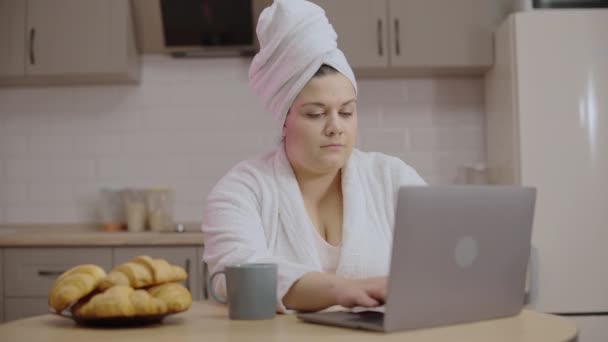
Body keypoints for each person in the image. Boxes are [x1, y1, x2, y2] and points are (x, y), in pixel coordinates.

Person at [201, 0, 426, 313]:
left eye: (346, 112)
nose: (336, 127)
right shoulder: (241, 191)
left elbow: (441, 259)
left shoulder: (393, 178)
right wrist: (344, 289)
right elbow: (237, 274)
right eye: (316, 113)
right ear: (284, 119)